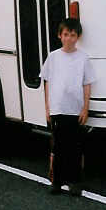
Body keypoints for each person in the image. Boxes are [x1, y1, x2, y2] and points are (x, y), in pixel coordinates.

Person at [40, 17, 97, 196]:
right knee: (58, 147)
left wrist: (85, 108)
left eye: (73, 35)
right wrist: (48, 108)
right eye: (66, 34)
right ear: (60, 36)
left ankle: (75, 182)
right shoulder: (53, 57)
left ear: (78, 37)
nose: (69, 38)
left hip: (75, 109)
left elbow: (87, 83)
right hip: (58, 108)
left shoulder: (83, 58)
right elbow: (47, 82)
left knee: (75, 147)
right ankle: (57, 181)